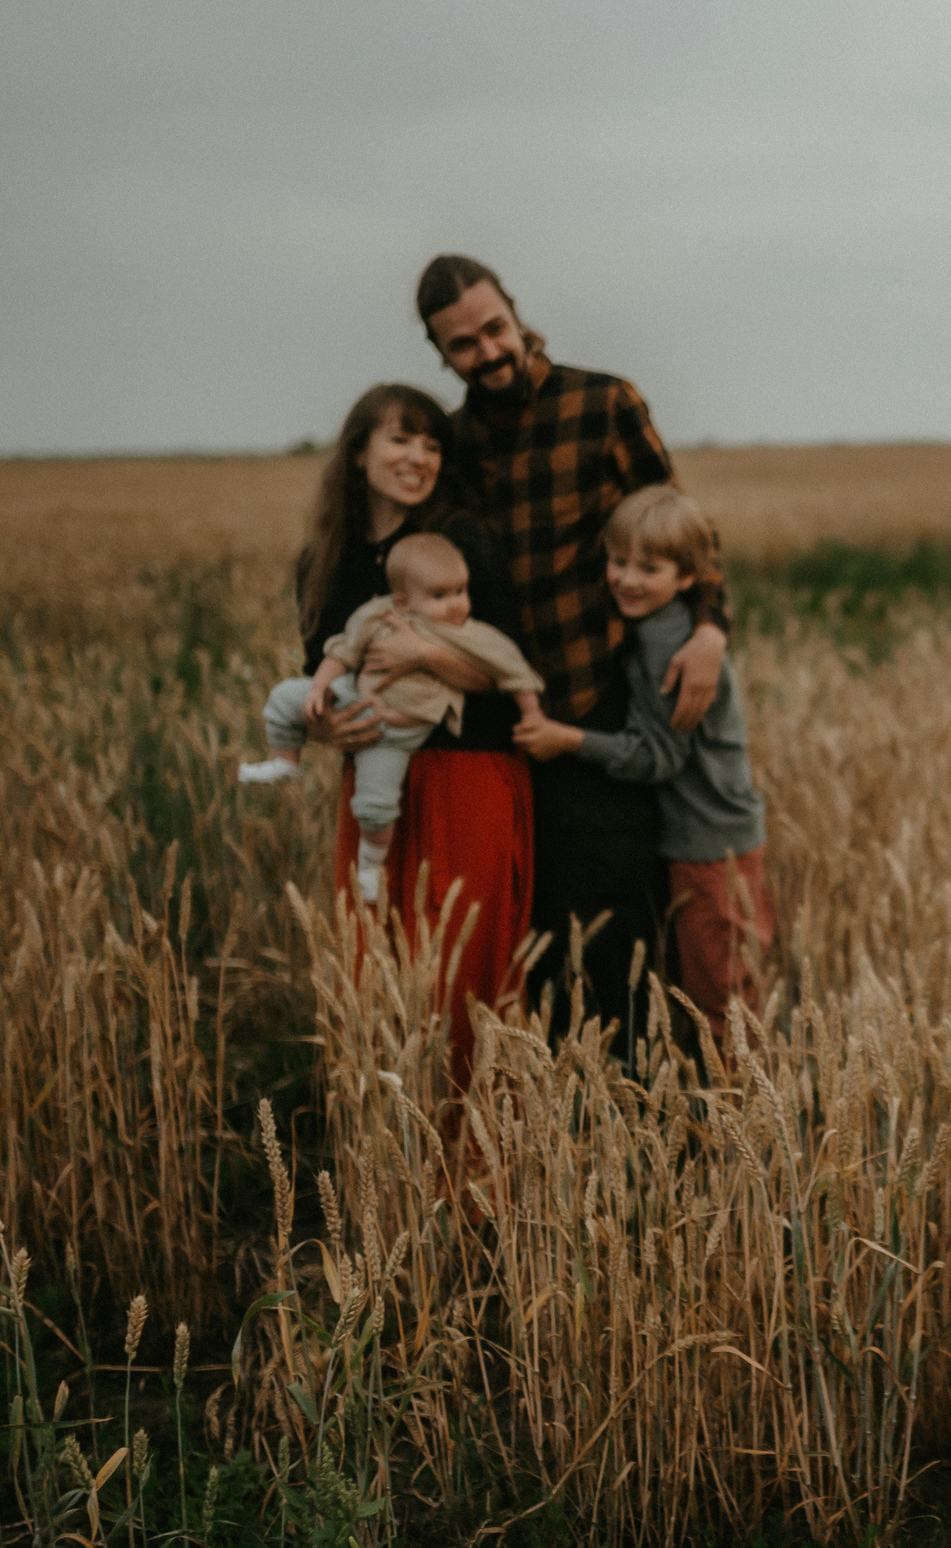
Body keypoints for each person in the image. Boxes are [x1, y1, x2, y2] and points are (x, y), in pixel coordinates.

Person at [409, 253, 730, 1051]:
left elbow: (682, 530)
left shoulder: (604, 403)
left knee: (618, 938)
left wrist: (710, 628)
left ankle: (640, 1104)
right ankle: (565, 1109)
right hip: (504, 729)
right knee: (539, 939)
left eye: (495, 329)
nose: (487, 351)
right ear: (441, 353)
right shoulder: (455, 444)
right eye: (462, 344)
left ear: (516, 315)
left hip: (599, 708)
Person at [289, 383, 538, 1077]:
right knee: (372, 962)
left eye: (431, 445)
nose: (418, 457)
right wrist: (327, 727)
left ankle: (474, 1140)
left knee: (463, 972)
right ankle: (385, 1132)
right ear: (358, 451)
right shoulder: (325, 558)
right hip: (374, 781)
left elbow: (513, 666)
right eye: (400, 439)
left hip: (466, 774)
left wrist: (422, 655)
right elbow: (319, 669)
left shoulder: (458, 540)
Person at [512, 487, 773, 1044]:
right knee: (714, 992)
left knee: (721, 1003)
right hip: (716, 837)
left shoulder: (668, 643)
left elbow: (657, 757)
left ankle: (744, 1098)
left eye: (648, 568)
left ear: (688, 578)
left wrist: (567, 739)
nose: (627, 579)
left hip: (710, 847)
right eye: (618, 561)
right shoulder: (664, 626)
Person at [244, 532, 543, 904]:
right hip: (354, 698)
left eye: (461, 591)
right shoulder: (378, 614)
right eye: (440, 595)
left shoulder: (471, 635)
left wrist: (532, 713)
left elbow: (514, 671)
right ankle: (285, 762)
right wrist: (318, 690)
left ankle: (371, 866)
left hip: (395, 733)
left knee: (376, 804)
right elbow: (342, 653)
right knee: (283, 697)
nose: (456, 604)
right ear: (403, 600)